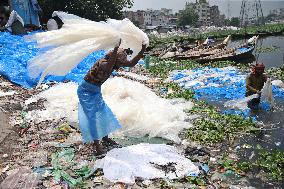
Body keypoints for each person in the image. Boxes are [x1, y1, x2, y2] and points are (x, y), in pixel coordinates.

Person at [77, 39, 146, 156]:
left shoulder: (114, 62)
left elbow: (131, 63)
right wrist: (115, 48)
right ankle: (97, 146)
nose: (122, 64)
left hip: (95, 90)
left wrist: (142, 50)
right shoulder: (104, 63)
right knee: (92, 117)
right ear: (115, 59)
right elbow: (109, 68)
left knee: (103, 113)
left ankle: (105, 138)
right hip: (85, 91)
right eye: (121, 61)